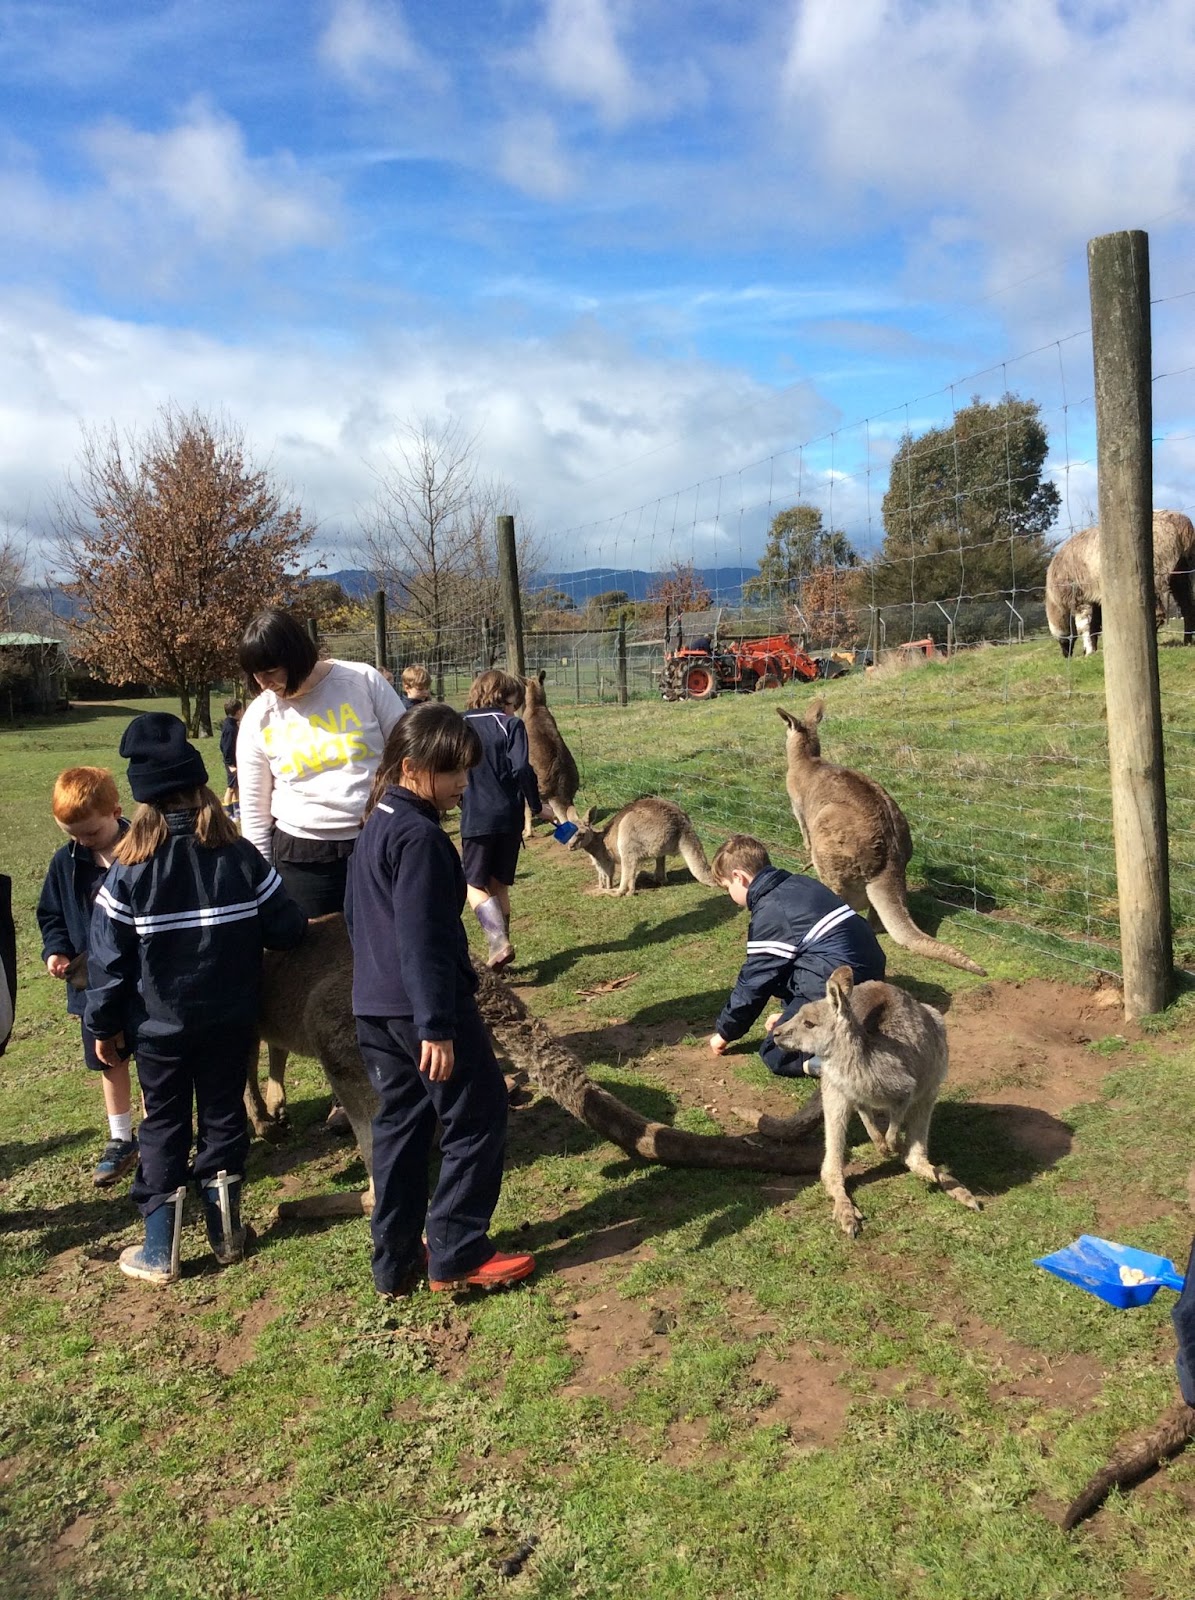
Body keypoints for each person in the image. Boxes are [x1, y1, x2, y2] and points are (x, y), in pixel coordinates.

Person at [85, 713, 307, 1285]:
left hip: (158, 1029)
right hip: (232, 1019)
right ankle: (229, 1234)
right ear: (204, 786)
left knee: (163, 1123)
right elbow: (287, 929)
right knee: (224, 1115)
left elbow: (108, 967)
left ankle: (160, 1249)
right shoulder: (240, 857)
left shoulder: (128, 874)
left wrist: (103, 1026)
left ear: (141, 804)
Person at [346, 703, 535, 1297]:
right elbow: (424, 940)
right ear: (411, 767)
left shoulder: (374, 823)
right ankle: (457, 1250)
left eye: (467, 772)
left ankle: (395, 1259)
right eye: (453, 773)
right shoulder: (421, 839)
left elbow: (359, 918)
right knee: (476, 1116)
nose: (463, 785)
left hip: (373, 1007)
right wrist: (436, 1025)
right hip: (423, 1010)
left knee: (401, 1127)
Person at [236, 608, 405, 918]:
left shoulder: (362, 681)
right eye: (255, 675)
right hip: (303, 860)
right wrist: (263, 881)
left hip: (378, 841)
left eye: (271, 671)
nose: (263, 684)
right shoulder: (258, 718)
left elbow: (408, 755)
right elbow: (254, 812)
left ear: (297, 656)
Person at [707, 834, 887, 1077]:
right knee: (784, 971)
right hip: (867, 968)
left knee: (776, 1051)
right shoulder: (799, 883)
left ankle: (835, 1065)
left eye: (728, 886)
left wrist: (725, 1031)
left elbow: (755, 981)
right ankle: (814, 1017)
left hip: (839, 980)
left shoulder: (772, 911)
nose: (730, 895)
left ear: (740, 877)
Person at [36, 768, 137, 1186]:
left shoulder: (142, 851)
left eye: (90, 832)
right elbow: (51, 914)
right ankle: (121, 1138)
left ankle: (159, 1133)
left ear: (116, 811)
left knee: (151, 1057)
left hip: (141, 982)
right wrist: (56, 949)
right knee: (107, 1058)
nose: (82, 841)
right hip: (92, 985)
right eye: (71, 834)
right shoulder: (66, 862)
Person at [460, 669, 553, 969]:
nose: (515, 709)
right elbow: (522, 770)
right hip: (509, 819)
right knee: (498, 884)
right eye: (514, 702)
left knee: (472, 885)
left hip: (476, 818)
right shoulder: (511, 725)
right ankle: (502, 951)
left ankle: (497, 941)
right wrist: (537, 806)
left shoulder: (460, 725)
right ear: (504, 698)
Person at [219, 698, 243, 824]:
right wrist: (230, 764)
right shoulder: (230, 728)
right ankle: (227, 814)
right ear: (238, 711)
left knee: (236, 787)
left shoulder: (232, 724)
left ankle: (237, 811)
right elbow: (226, 746)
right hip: (232, 763)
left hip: (235, 761)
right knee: (231, 788)